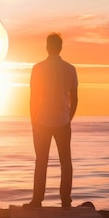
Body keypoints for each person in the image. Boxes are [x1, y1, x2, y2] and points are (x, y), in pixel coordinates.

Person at [25, 32, 78, 208]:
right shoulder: (70, 69)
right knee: (66, 162)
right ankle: (65, 200)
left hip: (42, 120)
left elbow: (33, 98)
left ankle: (37, 200)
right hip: (63, 120)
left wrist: (33, 120)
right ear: (60, 47)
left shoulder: (38, 68)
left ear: (47, 47)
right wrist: (68, 118)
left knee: (41, 161)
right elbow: (75, 98)